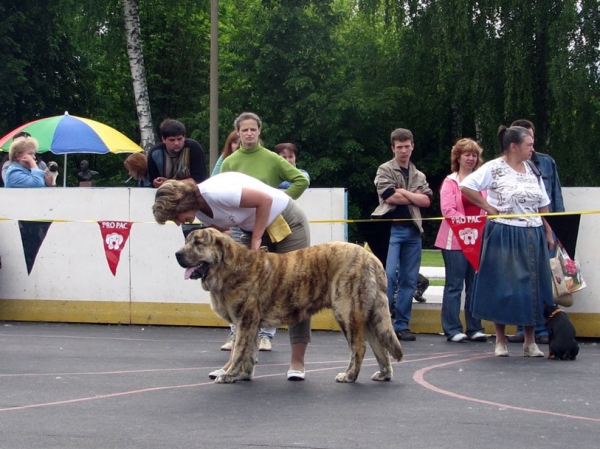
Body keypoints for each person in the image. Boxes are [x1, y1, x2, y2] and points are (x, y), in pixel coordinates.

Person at [152, 171, 311, 381]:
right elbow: (225, 234)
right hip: (250, 228)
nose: (178, 222)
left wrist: (256, 242)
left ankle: (297, 362)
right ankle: (238, 363)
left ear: (181, 204)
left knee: (296, 290)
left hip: (285, 221)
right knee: (241, 294)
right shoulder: (200, 213)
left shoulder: (216, 193)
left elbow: (265, 200)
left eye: (175, 217)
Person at [460, 125, 554, 358]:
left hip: (532, 232)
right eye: (529, 144)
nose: (532, 149)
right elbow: (466, 186)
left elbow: (543, 202)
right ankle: (500, 340)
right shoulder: (494, 168)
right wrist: (489, 208)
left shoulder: (533, 169)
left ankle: (530, 342)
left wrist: (549, 231)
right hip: (504, 232)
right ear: (514, 146)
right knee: (502, 286)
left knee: (532, 287)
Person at [219, 112, 310, 351]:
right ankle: (236, 333)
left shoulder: (271, 158)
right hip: (244, 229)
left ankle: (266, 335)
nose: (249, 133)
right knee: (241, 281)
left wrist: (281, 200)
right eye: (244, 130)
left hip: (274, 225)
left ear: (259, 132)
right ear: (237, 133)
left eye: (253, 129)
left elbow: (301, 180)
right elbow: (223, 193)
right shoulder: (229, 162)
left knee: (275, 279)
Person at [507, 119, 565, 345]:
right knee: (520, 280)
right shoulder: (505, 166)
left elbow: (555, 198)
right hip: (519, 229)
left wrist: (559, 232)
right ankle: (523, 327)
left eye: (532, 140)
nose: (530, 147)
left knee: (543, 282)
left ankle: (543, 328)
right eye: (526, 142)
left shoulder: (547, 163)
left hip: (545, 229)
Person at [372, 128, 432, 341]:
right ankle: (383, 322)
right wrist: (412, 195)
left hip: (413, 229)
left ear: (412, 146)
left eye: (407, 146)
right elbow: (388, 196)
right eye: (399, 147)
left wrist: (403, 192)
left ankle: (402, 324)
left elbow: (427, 201)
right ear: (393, 148)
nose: (404, 151)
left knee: (408, 279)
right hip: (391, 229)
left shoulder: (419, 175)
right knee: (387, 277)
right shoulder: (384, 169)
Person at [434, 138, 488, 343]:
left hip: (477, 240)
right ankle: (452, 328)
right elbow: (448, 209)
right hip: (454, 240)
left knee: (475, 285)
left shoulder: (482, 181)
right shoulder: (450, 181)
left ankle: (475, 327)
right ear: (458, 157)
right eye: (467, 154)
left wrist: (478, 223)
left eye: (474, 155)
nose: (471, 158)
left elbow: (486, 205)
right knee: (454, 284)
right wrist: (468, 222)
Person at [147, 119, 208, 188]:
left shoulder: (193, 148)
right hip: (165, 194)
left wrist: (169, 183)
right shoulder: (155, 154)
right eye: (172, 140)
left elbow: (199, 180)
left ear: (184, 137)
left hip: (191, 193)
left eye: (179, 139)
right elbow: (151, 181)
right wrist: (156, 182)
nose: (176, 143)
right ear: (163, 139)